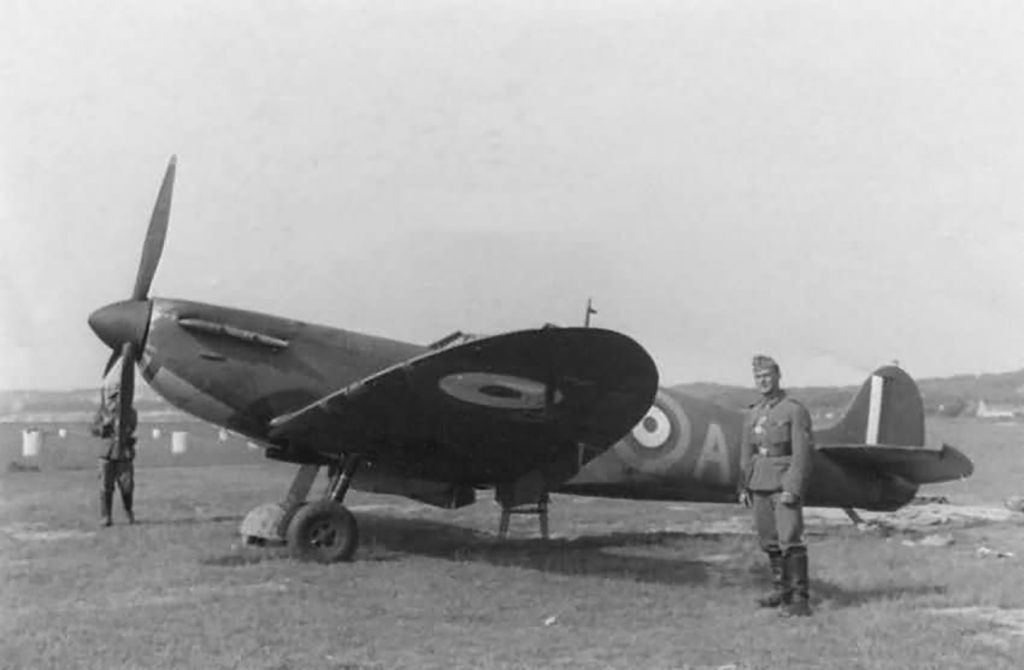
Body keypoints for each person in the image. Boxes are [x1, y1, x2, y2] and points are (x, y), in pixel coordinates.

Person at [738, 355, 814, 617]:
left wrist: (792, 487)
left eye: (767, 375)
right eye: (758, 376)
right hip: (759, 483)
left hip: (783, 485)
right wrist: (743, 486)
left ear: (778, 376)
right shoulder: (753, 412)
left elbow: (802, 454)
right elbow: (747, 453)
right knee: (768, 540)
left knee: (790, 539)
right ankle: (780, 591)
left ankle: (799, 599)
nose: (763, 381)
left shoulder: (793, 410)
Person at [90, 377, 137, 527]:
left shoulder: (131, 412)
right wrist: (104, 426)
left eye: (119, 395)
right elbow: (93, 430)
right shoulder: (102, 412)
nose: (116, 400)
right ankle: (106, 517)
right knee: (106, 487)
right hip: (106, 454)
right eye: (114, 396)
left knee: (127, 486)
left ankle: (128, 512)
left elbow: (131, 427)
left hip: (124, 453)